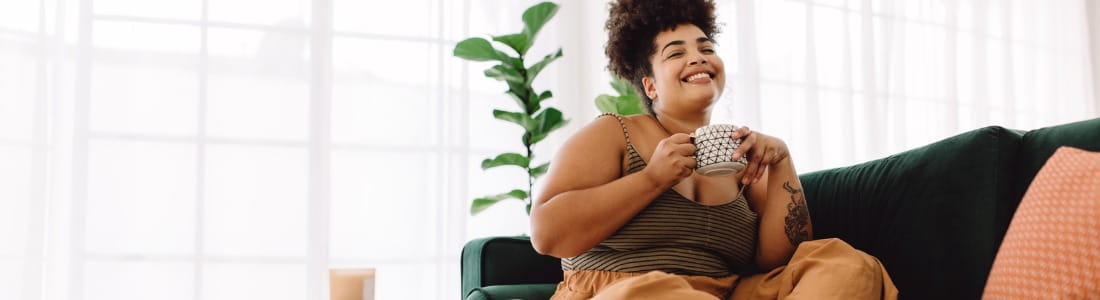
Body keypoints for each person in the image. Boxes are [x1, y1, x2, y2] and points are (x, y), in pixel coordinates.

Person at [529, 0, 898, 299]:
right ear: (650, 86)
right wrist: (652, 178)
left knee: (844, 264)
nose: (698, 57)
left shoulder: (741, 156)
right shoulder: (614, 132)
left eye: (706, 48)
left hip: (725, 291)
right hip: (624, 291)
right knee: (658, 292)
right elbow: (548, 235)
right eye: (676, 53)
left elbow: (780, 261)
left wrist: (781, 162)